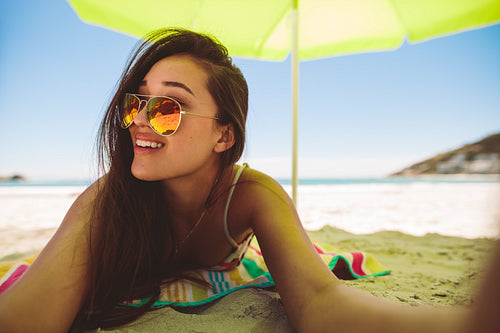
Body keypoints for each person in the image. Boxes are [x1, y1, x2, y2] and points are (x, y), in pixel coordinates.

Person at [0, 28, 497, 333]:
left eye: (168, 107)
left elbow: (320, 305)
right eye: (136, 102)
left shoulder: (251, 194)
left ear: (223, 135)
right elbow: (31, 317)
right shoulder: (110, 199)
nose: (138, 121)